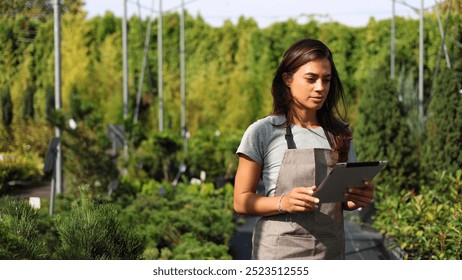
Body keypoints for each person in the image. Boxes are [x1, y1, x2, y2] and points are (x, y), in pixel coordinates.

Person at [233, 38, 375, 260]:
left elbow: (344, 201)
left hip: (329, 251)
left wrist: (357, 198)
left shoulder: (340, 134)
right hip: (278, 252)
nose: (320, 88)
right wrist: (284, 202)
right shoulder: (263, 131)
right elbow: (241, 201)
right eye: (311, 79)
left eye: (326, 80)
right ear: (287, 79)